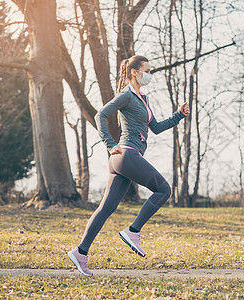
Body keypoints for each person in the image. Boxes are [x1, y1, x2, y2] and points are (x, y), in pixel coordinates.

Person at [67, 55, 190, 276]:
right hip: (126, 154)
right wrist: (109, 143)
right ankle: (133, 231)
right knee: (163, 190)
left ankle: (80, 252)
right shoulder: (126, 95)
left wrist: (179, 115)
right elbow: (100, 115)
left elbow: (157, 127)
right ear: (134, 72)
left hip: (123, 159)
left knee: (106, 208)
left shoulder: (143, 99)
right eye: (147, 71)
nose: (149, 75)